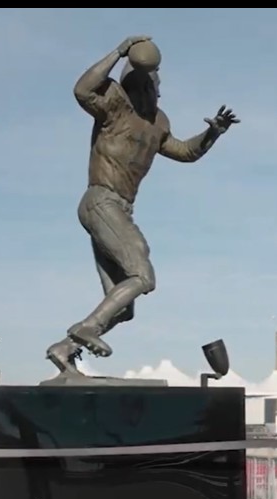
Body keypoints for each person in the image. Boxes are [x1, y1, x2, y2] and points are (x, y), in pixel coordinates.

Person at [45, 35, 240, 377]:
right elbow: (82, 90)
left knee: (123, 308)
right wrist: (120, 51)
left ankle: (66, 348)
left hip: (119, 209)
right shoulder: (115, 105)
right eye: (155, 83)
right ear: (139, 85)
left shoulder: (158, 122)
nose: (160, 90)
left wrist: (213, 134)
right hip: (100, 200)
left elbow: (185, 152)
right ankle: (86, 328)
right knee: (142, 273)